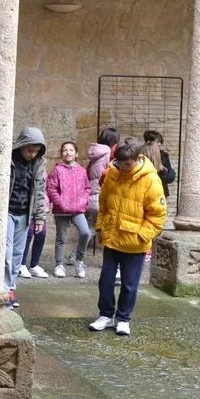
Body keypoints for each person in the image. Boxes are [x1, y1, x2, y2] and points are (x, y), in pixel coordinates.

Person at [91, 137, 166, 337]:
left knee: (129, 285)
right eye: (120, 163)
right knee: (105, 281)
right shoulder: (112, 173)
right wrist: (101, 228)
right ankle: (106, 315)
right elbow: (103, 204)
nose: (123, 168)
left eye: (127, 164)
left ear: (138, 158)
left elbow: (157, 216)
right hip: (112, 238)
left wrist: (142, 236)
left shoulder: (151, 180)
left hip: (135, 243)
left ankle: (123, 318)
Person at [4, 127, 47, 309]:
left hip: (24, 214)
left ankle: (10, 288)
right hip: (7, 212)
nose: (32, 154)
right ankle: (4, 290)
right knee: (6, 253)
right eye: (30, 150)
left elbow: (39, 191)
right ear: (22, 145)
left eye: (36, 151)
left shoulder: (39, 163)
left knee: (17, 254)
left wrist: (40, 217)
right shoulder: (8, 158)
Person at [46, 141, 92, 278]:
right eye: (65, 150)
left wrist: (83, 200)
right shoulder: (57, 170)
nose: (68, 152)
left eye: (71, 150)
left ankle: (79, 260)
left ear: (76, 153)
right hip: (61, 210)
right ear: (61, 154)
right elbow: (51, 188)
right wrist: (60, 202)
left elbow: (87, 188)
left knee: (85, 232)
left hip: (77, 209)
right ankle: (59, 264)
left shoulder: (81, 171)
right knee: (61, 238)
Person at [87, 127, 119, 238]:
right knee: (95, 228)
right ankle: (78, 250)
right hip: (102, 193)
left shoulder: (95, 153)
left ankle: (80, 248)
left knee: (91, 226)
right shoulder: (108, 154)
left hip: (92, 192)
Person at [20, 192, 51, 278]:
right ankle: (21, 265)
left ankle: (34, 266)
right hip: (27, 205)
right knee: (28, 234)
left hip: (41, 207)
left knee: (41, 234)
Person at [143, 130, 177, 198]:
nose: (160, 144)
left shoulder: (164, 155)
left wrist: (170, 172)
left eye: (160, 142)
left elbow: (169, 176)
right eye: (157, 142)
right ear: (148, 142)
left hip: (162, 190)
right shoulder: (141, 155)